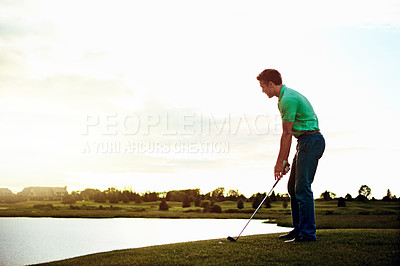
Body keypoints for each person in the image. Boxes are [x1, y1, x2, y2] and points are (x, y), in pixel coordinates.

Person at [257, 69, 325, 243]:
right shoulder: (282, 99)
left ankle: (308, 234)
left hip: (311, 140)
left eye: (263, 86)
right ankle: (300, 229)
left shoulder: (288, 99)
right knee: (292, 187)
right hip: (304, 141)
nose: (263, 90)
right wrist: (286, 160)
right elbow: (290, 133)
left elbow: (286, 133)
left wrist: (280, 163)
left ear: (271, 84)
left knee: (302, 187)